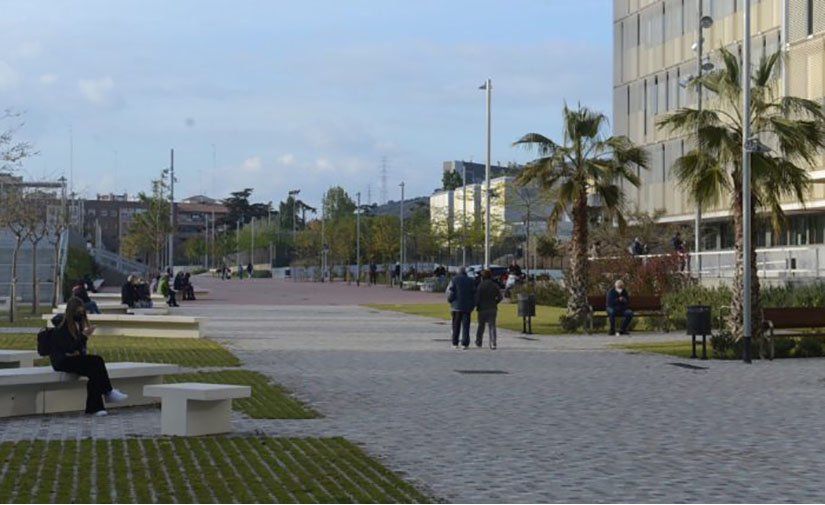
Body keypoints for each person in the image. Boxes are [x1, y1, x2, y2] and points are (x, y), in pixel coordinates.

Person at [49, 297, 129, 415]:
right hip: (62, 361)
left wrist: (80, 349)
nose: (80, 315)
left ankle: (96, 407)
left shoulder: (78, 325)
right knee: (97, 361)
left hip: (73, 359)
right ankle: (107, 392)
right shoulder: (62, 327)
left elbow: (77, 348)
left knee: (95, 371)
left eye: (82, 312)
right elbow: (68, 348)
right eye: (78, 312)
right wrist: (84, 336)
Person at [447, 266, 476, 350]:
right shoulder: (470, 281)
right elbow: (474, 293)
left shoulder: (454, 280)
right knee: (466, 326)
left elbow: (451, 292)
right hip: (467, 306)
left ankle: (455, 342)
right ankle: (465, 343)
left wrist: (450, 300)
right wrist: (473, 304)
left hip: (456, 306)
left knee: (456, 325)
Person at [475, 269, 503, 349]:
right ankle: (493, 343)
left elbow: (477, 298)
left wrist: (476, 305)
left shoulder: (480, 286)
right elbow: (500, 297)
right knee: (492, 326)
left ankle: (479, 341)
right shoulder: (494, 285)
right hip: (492, 307)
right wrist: (495, 302)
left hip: (482, 308)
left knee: (481, 326)